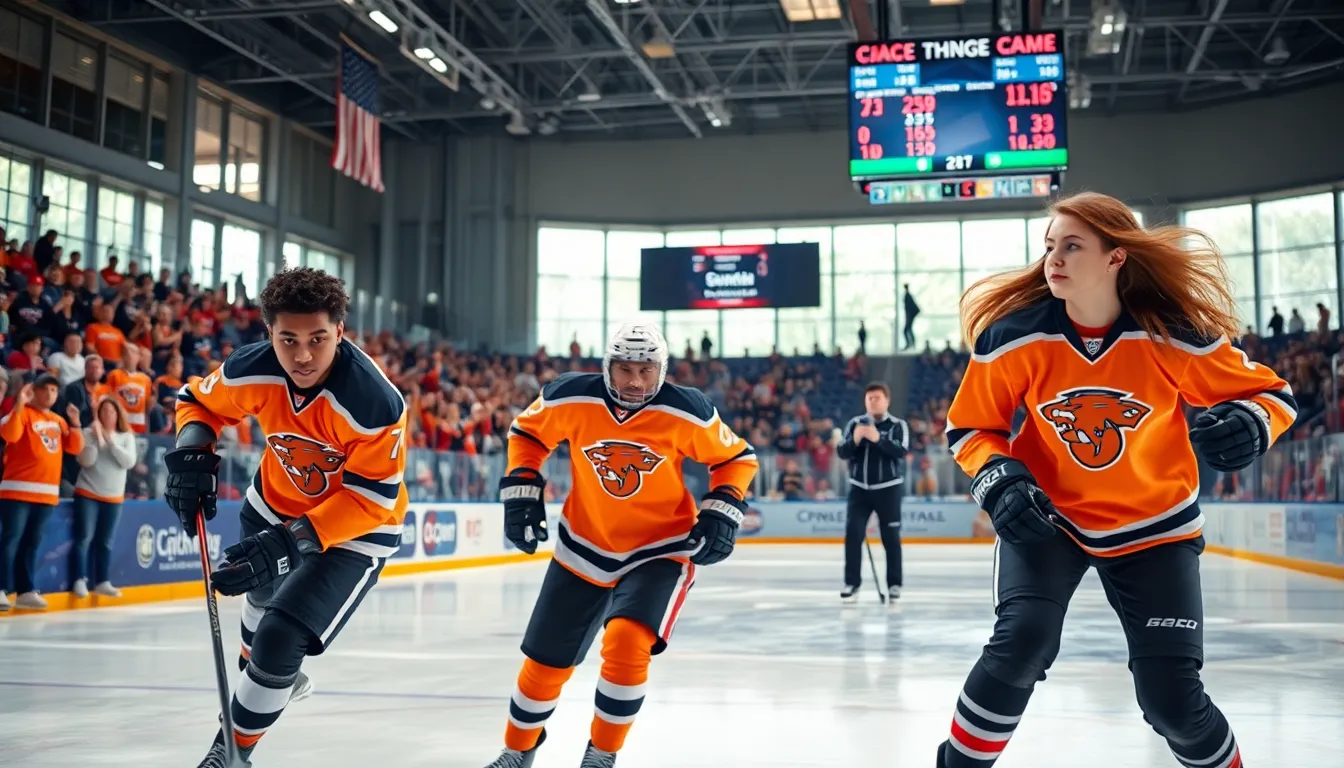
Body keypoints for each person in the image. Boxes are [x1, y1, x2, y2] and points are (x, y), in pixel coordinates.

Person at [934, 192, 1296, 768]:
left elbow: (1272, 393)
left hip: (1157, 527)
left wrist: (1253, 423)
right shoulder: (1015, 337)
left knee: (1172, 702)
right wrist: (998, 480)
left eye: (1072, 245)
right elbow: (968, 429)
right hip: (1051, 521)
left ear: (1116, 257)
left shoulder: (1172, 334)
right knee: (1021, 644)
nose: (1053, 257)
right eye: (1050, 245)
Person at [481, 322, 757, 768]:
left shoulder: (688, 411)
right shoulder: (569, 397)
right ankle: (517, 751)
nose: (634, 381)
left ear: (661, 370)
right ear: (606, 366)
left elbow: (736, 459)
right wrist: (522, 481)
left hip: (661, 546)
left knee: (628, 643)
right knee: (545, 660)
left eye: (646, 370)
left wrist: (724, 506)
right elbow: (527, 433)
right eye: (625, 368)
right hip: (583, 543)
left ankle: (601, 755)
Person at [164, 267, 409, 768]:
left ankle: (229, 754)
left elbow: (370, 498)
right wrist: (193, 451)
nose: (302, 355)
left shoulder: (374, 403)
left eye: (318, 339)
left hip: (355, 532)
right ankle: (267, 678)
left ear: (340, 333)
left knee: (279, 636)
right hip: (271, 506)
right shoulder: (249, 370)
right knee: (255, 634)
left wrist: (289, 543)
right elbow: (197, 403)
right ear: (269, 333)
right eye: (288, 339)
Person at [0, 374, 82, 611]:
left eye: (54, 390)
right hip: (17, 490)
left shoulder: (58, 420)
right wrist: (19, 404)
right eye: (44, 389)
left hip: (46, 493)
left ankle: (25, 590)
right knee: (10, 540)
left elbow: (75, 448)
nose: (49, 394)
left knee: (32, 542)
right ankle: (3, 588)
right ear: (33, 391)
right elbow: (10, 435)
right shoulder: (19, 414)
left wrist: (75, 423)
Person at [836, 381, 909, 602]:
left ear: (887, 401)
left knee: (890, 538)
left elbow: (900, 452)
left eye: (877, 398)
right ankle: (852, 583)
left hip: (888, 489)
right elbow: (842, 451)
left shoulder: (897, 425)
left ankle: (894, 584)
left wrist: (878, 439)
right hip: (859, 489)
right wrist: (856, 439)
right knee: (853, 535)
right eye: (869, 398)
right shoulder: (855, 424)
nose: (873, 401)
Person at [71, 397, 136, 599]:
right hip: (88, 492)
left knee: (105, 541)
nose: (108, 415)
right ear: (98, 415)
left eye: (112, 411)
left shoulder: (125, 436)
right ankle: (79, 579)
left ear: (118, 415)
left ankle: (102, 580)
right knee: (84, 538)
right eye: (104, 411)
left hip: (113, 496)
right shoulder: (88, 434)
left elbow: (128, 462)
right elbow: (86, 461)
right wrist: (97, 440)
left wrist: (109, 441)